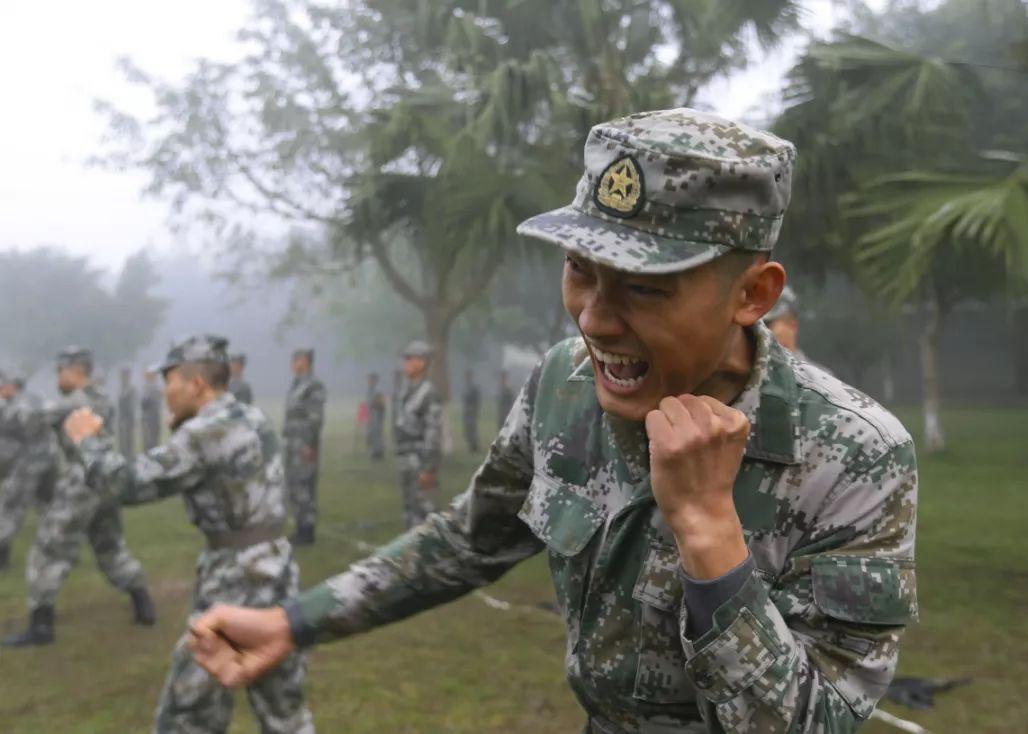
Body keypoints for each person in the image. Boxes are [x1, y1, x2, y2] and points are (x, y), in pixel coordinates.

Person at [189, 109, 918, 733]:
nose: (595, 320)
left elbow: (815, 720)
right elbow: (469, 538)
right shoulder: (563, 385)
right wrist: (294, 621)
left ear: (752, 294)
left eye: (643, 288)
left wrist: (709, 535)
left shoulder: (853, 456)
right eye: (578, 269)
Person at [64, 335, 314, 734]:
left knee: (187, 714)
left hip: (235, 582)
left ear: (195, 384)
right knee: (284, 711)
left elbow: (126, 484)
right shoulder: (249, 416)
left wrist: (87, 441)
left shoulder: (205, 432)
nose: (165, 392)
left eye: (169, 381)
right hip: (277, 570)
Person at [3, 346, 155, 647]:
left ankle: (41, 626)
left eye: (61, 371)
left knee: (47, 550)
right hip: (105, 482)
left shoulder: (76, 401)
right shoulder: (101, 397)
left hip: (80, 482)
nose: (59, 377)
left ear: (75, 370)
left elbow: (24, 418)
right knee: (110, 547)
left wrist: (7, 398)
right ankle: (143, 605)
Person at [0, 371, 58, 570]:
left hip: (29, 463)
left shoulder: (17, 405)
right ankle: (56, 550)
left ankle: (2, 553)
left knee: (12, 507)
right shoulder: (34, 399)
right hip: (47, 458)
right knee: (50, 505)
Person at [392, 341, 442, 528]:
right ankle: (412, 551)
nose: (404, 363)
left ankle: (431, 554)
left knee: (426, 511)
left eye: (408, 359)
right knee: (409, 509)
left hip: (420, 459)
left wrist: (429, 468)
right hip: (405, 457)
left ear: (421, 363)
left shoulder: (428, 393)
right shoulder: (406, 390)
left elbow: (433, 433)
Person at [283, 348, 325, 546]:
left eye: (297, 360)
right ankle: (299, 527)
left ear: (306, 361)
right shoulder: (296, 384)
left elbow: (315, 418)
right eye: (293, 360)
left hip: (304, 445)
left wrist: (309, 443)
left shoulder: (313, 385)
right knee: (294, 485)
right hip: (292, 443)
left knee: (305, 486)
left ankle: (307, 530)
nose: (294, 363)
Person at [116, 367, 137, 461]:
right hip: (122, 418)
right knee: (122, 441)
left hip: (129, 418)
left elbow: (133, 405)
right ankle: (123, 458)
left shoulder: (131, 389)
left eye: (125, 375)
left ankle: (129, 459)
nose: (124, 377)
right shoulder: (120, 389)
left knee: (129, 441)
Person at [365, 372, 386, 461]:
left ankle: (378, 452)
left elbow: (382, 403)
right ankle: (374, 451)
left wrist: (375, 404)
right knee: (372, 433)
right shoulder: (370, 390)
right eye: (369, 379)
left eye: (371, 379)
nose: (369, 381)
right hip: (371, 413)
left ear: (375, 380)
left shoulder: (378, 390)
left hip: (377, 413)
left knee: (377, 433)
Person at [140, 368, 163, 450]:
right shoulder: (146, 388)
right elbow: (143, 403)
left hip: (154, 416)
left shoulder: (155, 388)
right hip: (148, 417)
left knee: (154, 438)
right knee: (148, 439)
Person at [462, 368, 481, 453]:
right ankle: (470, 445)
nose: (467, 377)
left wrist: (475, 410)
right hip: (466, 411)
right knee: (467, 429)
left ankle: (474, 446)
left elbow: (477, 400)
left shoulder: (474, 387)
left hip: (472, 411)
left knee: (472, 429)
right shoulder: (466, 386)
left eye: (468, 375)